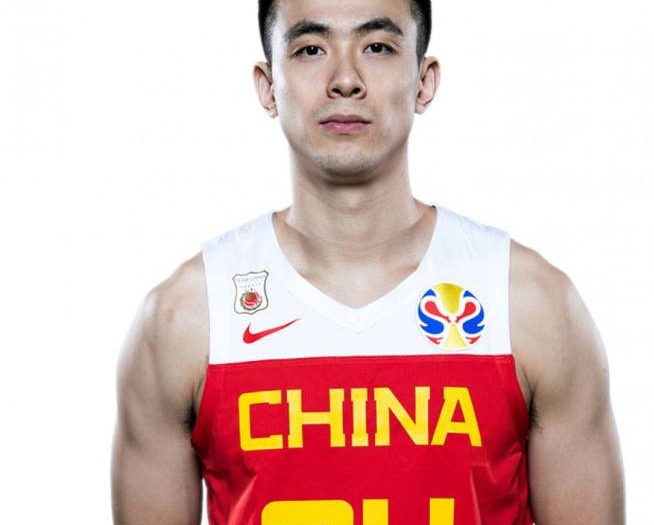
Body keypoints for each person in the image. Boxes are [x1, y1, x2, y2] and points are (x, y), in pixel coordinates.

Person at [111, 0, 625, 523]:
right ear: (268, 87)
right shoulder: (188, 316)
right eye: (310, 49)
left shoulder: (529, 304)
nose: (345, 80)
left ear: (424, 81)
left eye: (377, 47)